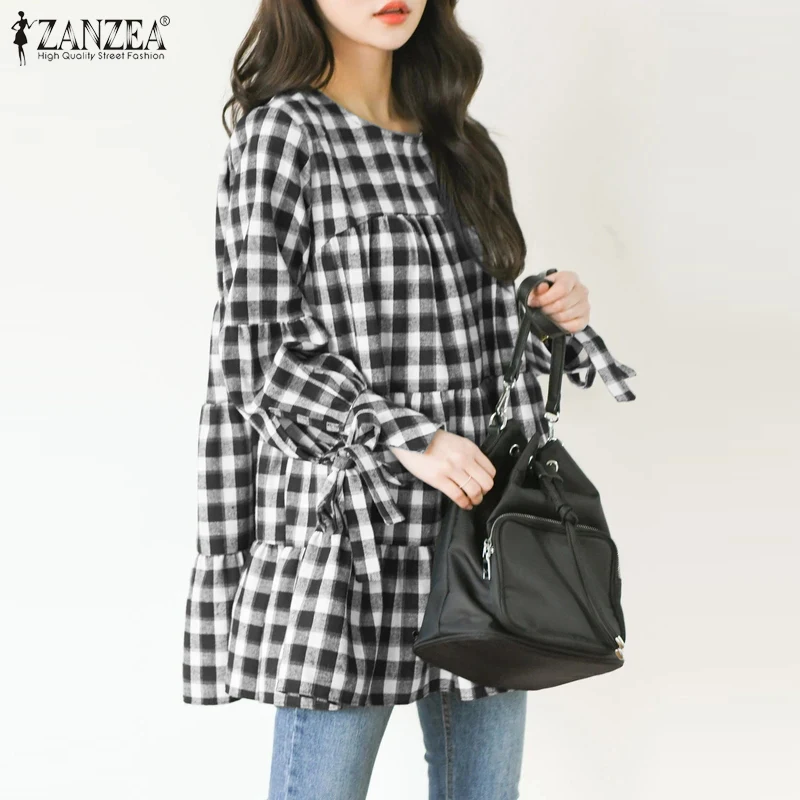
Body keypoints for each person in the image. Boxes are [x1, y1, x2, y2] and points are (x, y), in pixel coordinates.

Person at [182, 2, 636, 798]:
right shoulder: (285, 137)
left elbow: (482, 339)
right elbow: (254, 353)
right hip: (354, 533)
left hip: (479, 534)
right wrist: (406, 436)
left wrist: (542, 312)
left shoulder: (460, 142)